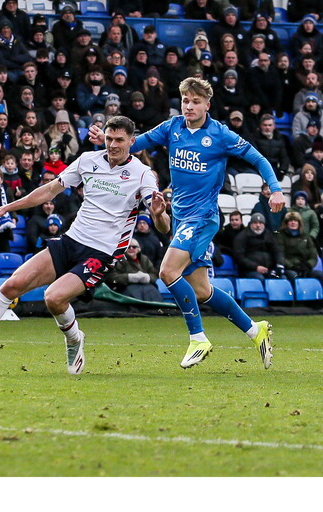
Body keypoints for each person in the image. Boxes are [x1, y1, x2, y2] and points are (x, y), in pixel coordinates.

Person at [0, 115, 169, 375]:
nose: (112, 145)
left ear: (132, 142)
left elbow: (163, 226)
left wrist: (157, 214)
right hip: (71, 240)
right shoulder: (89, 161)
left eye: (119, 140)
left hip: (102, 252)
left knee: (53, 298)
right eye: (109, 139)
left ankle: (75, 338)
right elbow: (48, 191)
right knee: (12, 285)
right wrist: (6, 208)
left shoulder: (142, 174)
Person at [89, 76, 281, 369]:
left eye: (195, 102)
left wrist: (276, 189)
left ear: (207, 104)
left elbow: (259, 159)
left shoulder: (221, 134)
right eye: (185, 101)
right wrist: (110, 143)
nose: (189, 106)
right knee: (202, 291)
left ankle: (198, 338)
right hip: (180, 216)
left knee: (167, 271)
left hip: (202, 218)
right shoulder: (172, 127)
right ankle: (256, 332)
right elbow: (135, 142)